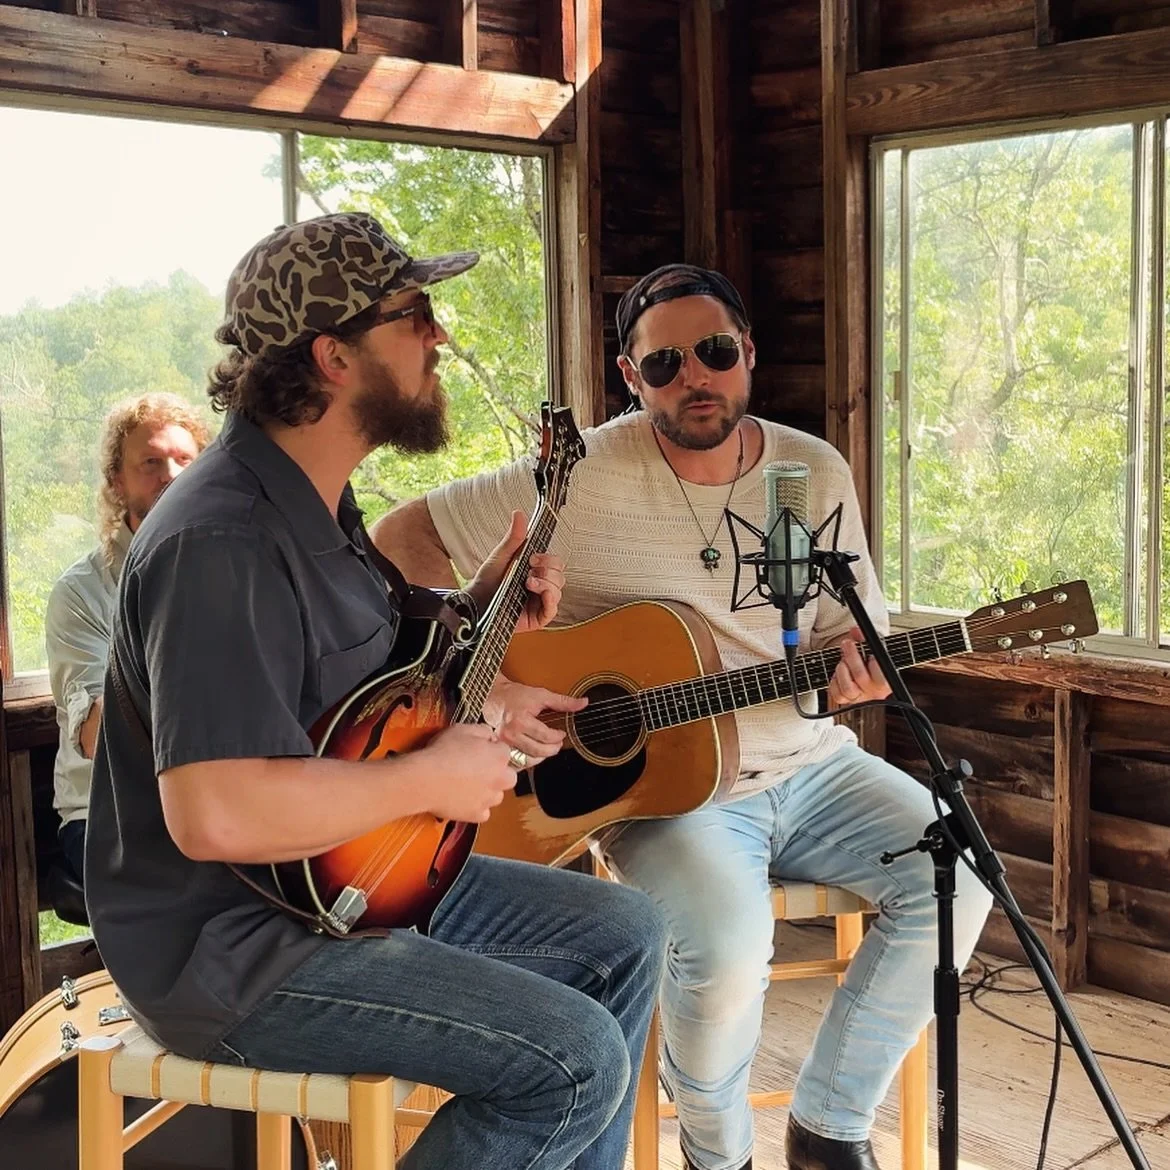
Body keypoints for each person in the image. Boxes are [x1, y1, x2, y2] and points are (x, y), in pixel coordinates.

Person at [371, 263, 995, 1170]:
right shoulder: (576, 475)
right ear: (632, 378)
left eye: (713, 353)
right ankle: (718, 1151)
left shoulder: (811, 470)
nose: (694, 378)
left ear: (748, 354)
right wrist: (489, 674)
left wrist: (857, 677)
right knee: (730, 952)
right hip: (668, 792)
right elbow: (395, 544)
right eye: (663, 365)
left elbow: (846, 629)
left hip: (811, 761)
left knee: (963, 869)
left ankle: (829, 1124)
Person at [84, 213, 666, 1170]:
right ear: (333, 357)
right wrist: (428, 782)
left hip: (351, 875)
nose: (437, 335)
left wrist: (485, 609)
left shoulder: (315, 494)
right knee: (569, 1062)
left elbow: (366, 694)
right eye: (414, 314)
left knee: (626, 931)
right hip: (237, 949)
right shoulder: (220, 541)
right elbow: (214, 814)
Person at [46, 392, 209, 885]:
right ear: (117, 480)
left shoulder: (230, 575)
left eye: (185, 460)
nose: (172, 476)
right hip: (105, 817)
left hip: (214, 801)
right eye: (151, 463)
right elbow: (99, 736)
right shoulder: (80, 593)